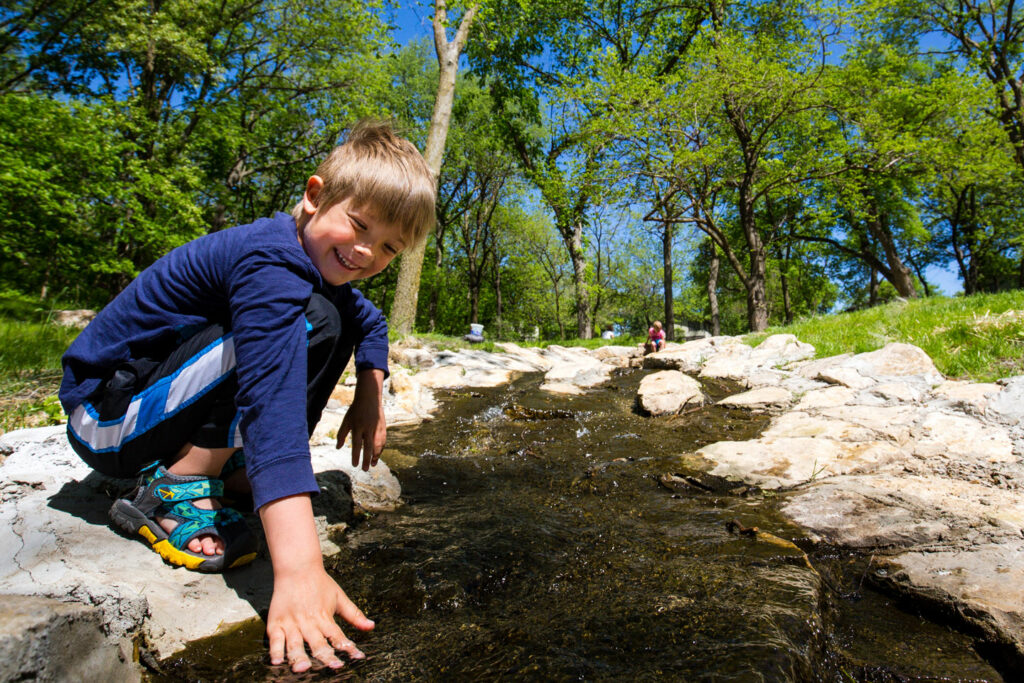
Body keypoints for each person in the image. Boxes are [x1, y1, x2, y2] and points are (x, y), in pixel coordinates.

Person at [58, 121, 435, 674]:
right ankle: (175, 486)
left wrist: (371, 394)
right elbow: (270, 404)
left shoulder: (311, 264)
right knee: (305, 319)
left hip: (153, 402)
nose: (364, 251)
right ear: (313, 197)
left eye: (387, 248)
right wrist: (301, 568)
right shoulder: (268, 259)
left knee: (331, 314)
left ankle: (233, 479)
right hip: (105, 416)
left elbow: (370, 319)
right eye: (358, 226)